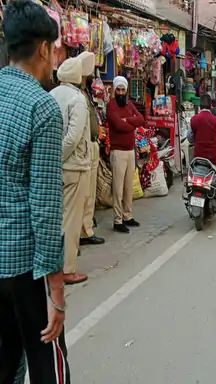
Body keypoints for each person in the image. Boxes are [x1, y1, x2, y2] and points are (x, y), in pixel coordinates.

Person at [0, 0, 71, 382]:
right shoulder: (41, 107)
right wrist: (55, 291)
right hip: (25, 267)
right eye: (55, 51)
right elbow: (44, 207)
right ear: (43, 48)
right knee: (49, 366)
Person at [50, 53, 95, 285]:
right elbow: (73, 138)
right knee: (71, 220)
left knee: (56, 218)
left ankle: (52, 265)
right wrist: (61, 157)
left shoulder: (51, 94)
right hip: (74, 166)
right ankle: (67, 269)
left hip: (54, 167)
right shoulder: (77, 99)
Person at [106, 76, 145, 233]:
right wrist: (131, 123)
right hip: (118, 152)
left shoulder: (129, 104)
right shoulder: (111, 106)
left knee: (129, 186)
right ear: (115, 90)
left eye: (123, 90)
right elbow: (118, 125)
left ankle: (127, 215)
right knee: (118, 188)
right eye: (119, 90)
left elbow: (141, 119)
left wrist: (127, 120)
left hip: (130, 151)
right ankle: (117, 220)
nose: (121, 93)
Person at [80, 68, 106, 247]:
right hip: (85, 147)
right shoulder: (77, 96)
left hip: (92, 144)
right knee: (84, 193)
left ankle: (86, 228)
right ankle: (83, 231)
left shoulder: (85, 93)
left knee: (89, 192)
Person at [188, 94, 216, 191]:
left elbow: (190, 138)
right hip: (214, 159)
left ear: (200, 105)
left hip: (198, 157)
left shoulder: (193, 119)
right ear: (211, 106)